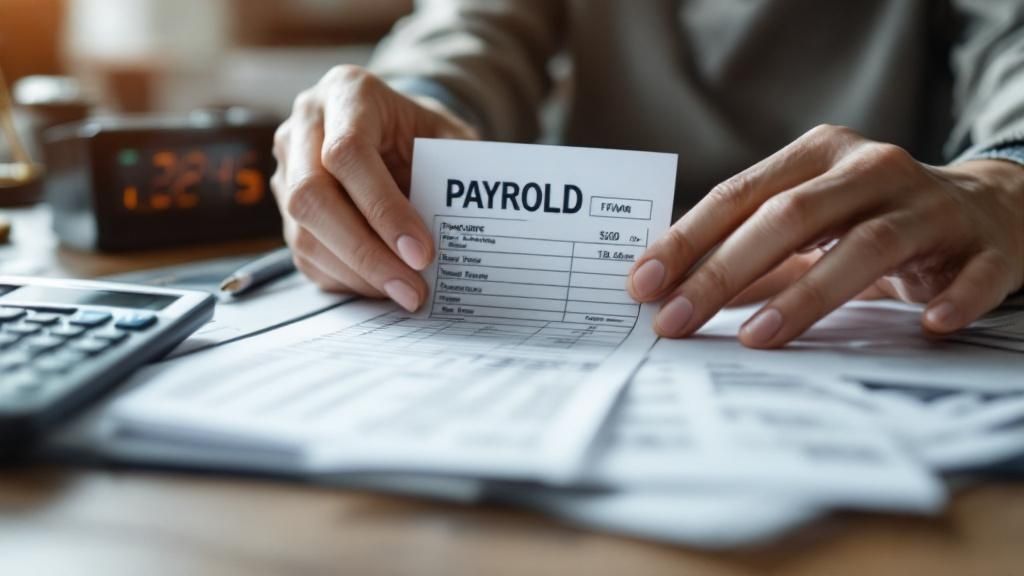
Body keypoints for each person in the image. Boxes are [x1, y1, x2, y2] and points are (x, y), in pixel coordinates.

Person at [270, 0, 1024, 349]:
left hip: (889, 304)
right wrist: (403, 132)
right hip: (590, 321)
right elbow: (467, 37)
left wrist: (1006, 181)